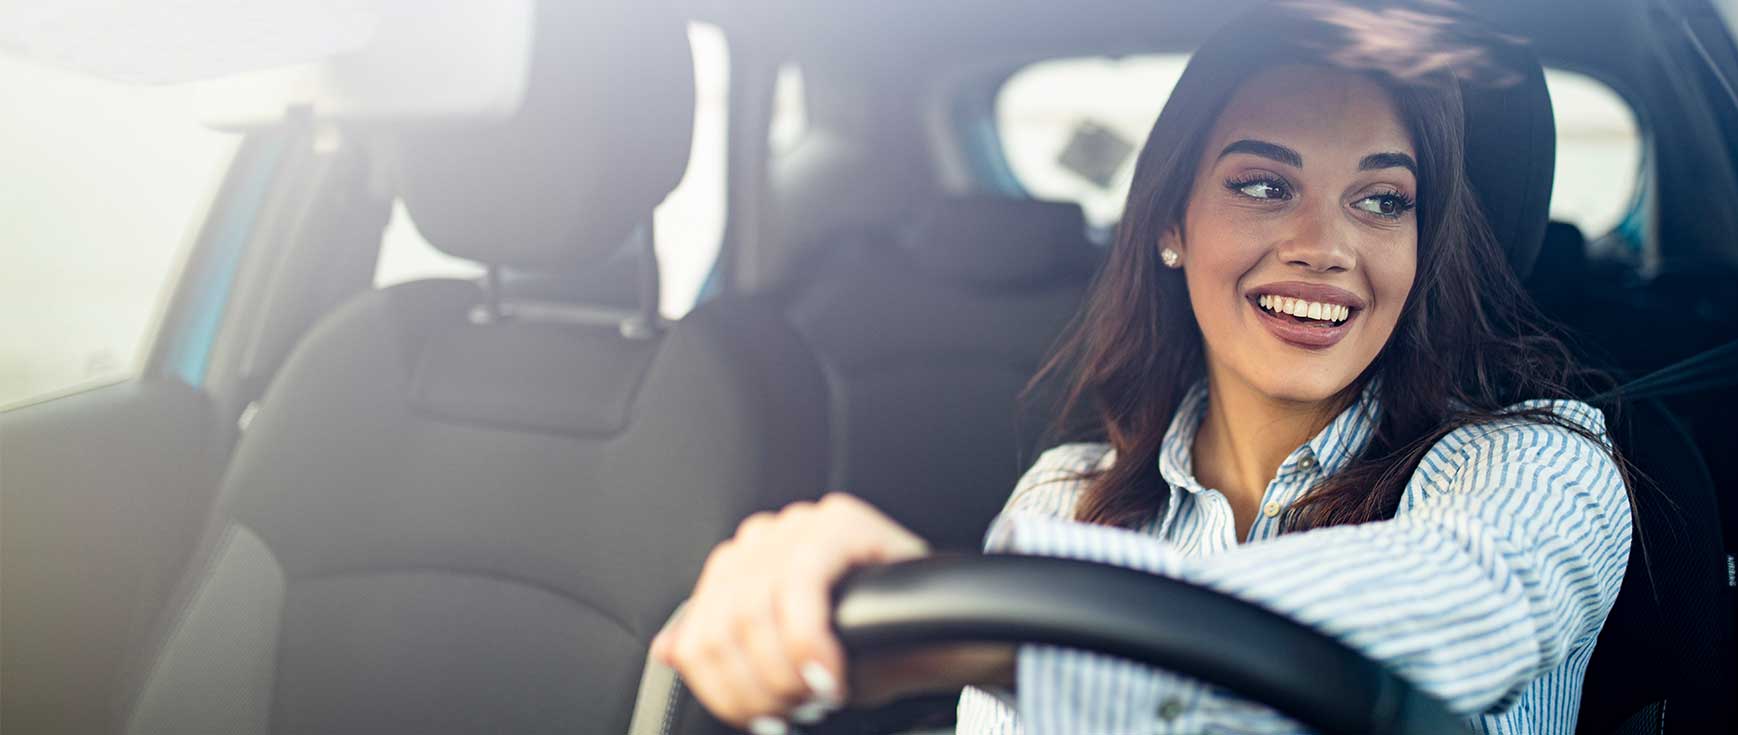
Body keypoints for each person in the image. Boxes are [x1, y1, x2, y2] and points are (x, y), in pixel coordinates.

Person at [649, 2, 1632, 733]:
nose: (1321, 246)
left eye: (1380, 202)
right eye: (1262, 183)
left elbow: (1468, 601)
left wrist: (1008, 628)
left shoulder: (1540, 467)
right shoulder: (1065, 501)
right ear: (1170, 221)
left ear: (1421, 252)